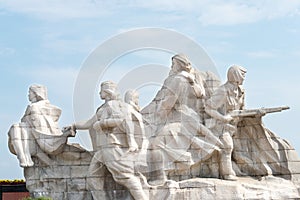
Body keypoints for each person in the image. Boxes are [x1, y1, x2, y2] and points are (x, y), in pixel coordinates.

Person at [142, 54, 221, 185]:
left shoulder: (178, 80)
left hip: (180, 119)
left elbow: (167, 104)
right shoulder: (191, 80)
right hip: (190, 118)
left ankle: (159, 177)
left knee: (155, 144)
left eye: (173, 64)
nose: (171, 67)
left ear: (178, 65)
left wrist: (155, 118)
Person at [70, 81, 148, 200]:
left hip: (112, 146)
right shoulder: (102, 108)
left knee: (124, 177)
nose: (99, 93)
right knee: (93, 178)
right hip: (103, 148)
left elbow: (120, 119)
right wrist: (74, 125)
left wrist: (101, 124)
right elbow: (89, 123)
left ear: (107, 92)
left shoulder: (113, 105)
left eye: (101, 90)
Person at [8, 84, 74, 167]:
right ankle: (24, 157)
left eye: (30, 92)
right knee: (16, 127)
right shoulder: (35, 107)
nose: (28, 95)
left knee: (16, 128)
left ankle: (24, 157)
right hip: (32, 134)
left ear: (36, 93)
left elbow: (30, 122)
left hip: (39, 135)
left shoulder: (33, 107)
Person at [205, 65, 247, 181]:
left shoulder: (240, 91)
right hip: (219, 126)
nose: (244, 78)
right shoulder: (223, 91)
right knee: (227, 146)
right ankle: (227, 173)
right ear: (236, 75)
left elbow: (242, 109)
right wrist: (222, 118)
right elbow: (208, 107)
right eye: (242, 75)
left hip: (233, 126)